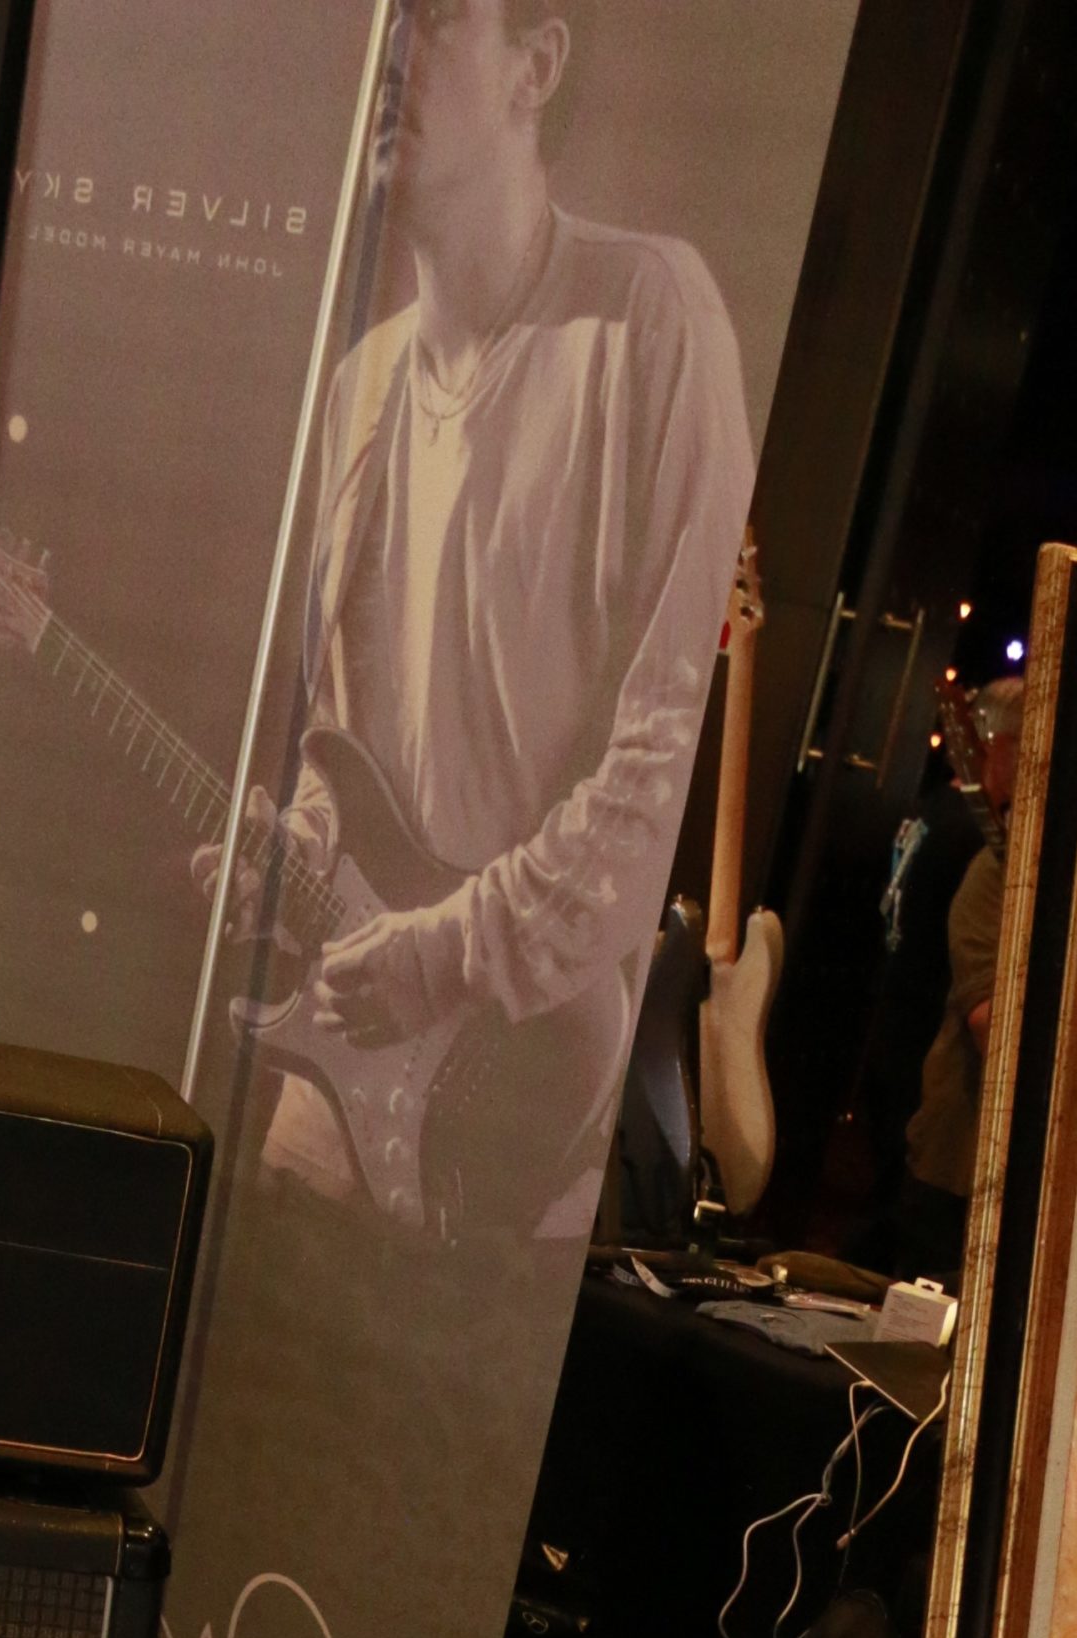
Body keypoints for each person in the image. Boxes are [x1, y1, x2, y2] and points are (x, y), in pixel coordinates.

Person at [204, 0, 754, 1240]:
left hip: (516, 1115)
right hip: (328, 1097)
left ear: (535, 65)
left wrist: (443, 958)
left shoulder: (652, 316)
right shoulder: (360, 387)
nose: (387, 48)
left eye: (434, 15)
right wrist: (293, 850)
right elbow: (346, 750)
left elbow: (653, 770)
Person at [894, 676, 1023, 1278]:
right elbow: (988, 1026)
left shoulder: (942, 817)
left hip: (920, 1077)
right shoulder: (982, 859)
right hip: (956, 1153)